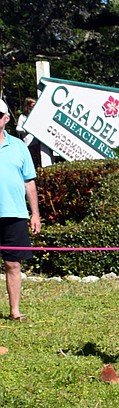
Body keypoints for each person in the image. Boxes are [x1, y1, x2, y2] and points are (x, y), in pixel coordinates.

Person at [0, 98, 41, 321]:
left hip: (14, 213)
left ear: (6, 118)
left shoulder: (18, 146)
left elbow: (29, 182)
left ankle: (15, 311)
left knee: (13, 263)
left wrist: (35, 214)